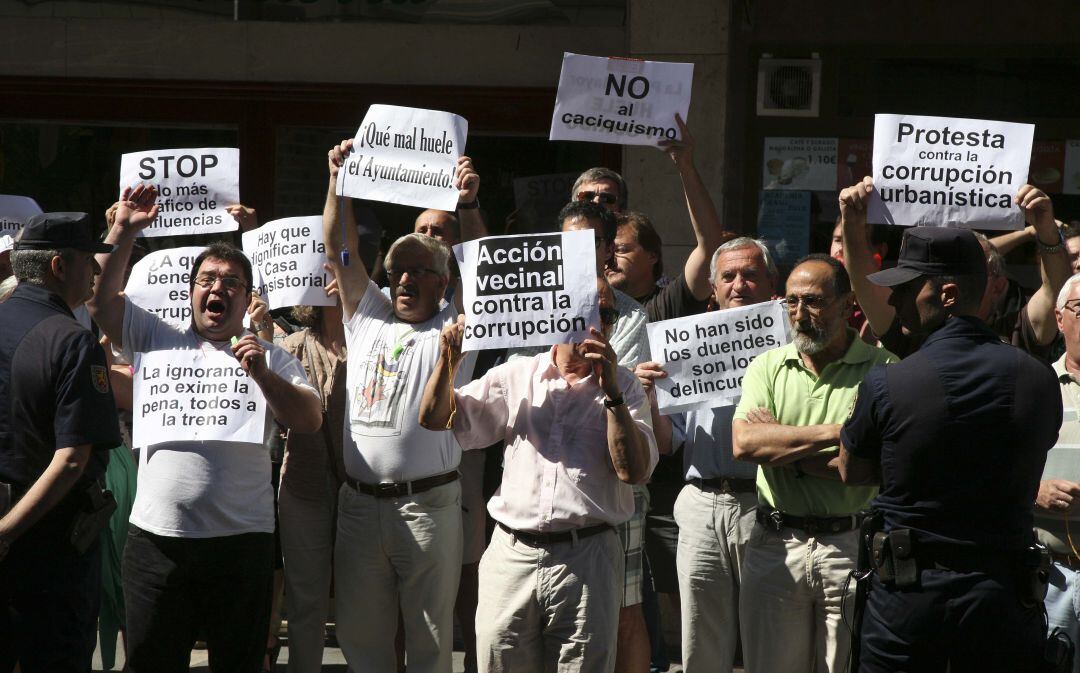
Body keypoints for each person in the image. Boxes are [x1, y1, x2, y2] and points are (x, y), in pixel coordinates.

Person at [88, 185, 323, 673]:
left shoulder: (271, 357)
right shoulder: (154, 337)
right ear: (191, 291)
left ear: (245, 296)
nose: (217, 288)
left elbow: (308, 419)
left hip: (241, 545)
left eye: (231, 281)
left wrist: (261, 373)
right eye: (207, 279)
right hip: (156, 541)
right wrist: (124, 229)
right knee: (152, 661)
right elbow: (98, 300)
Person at [838, 223, 1060, 672]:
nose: (895, 300)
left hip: (908, 600)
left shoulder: (888, 381)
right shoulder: (1038, 379)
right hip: (1003, 599)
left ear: (949, 295)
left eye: (906, 289)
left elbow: (852, 470)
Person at [418, 276, 658, 673]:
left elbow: (632, 470)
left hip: (588, 557)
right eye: (590, 310)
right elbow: (434, 419)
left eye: (609, 314)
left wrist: (612, 392)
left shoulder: (625, 387)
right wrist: (449, 359)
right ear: (559, 313)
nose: (601, 323)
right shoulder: (518, 375)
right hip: (513, 554)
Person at [323, 138, 478, 673]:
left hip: (428, 507)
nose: (406, 279)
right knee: (361, 636)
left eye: (420, 271)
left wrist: (470, 205)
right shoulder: (367, 316)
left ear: (444, 282)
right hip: (360, 505)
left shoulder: (456, 327)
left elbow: (485, 273)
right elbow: (339, 252)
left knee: (431, 642)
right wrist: (338, 184)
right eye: (398, 271)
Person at [731, 253, 897, 673]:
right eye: (791, 302)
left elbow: (872, 466)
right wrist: (839, 432)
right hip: (775, 544)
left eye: (814, 302)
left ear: (847, 304)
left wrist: (785, 451)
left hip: (849, 548)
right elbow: (746, 444)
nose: (800, 314)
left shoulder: (884, 370)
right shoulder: (766, 366)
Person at [634, 237, 779, 673]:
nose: (740, 284)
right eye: (728, 276)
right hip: (700, 504)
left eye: (751, 275)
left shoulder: (790, 340)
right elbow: (665, 443)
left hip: (765, 503)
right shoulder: (687, 344)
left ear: (771, 283)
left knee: (768, 636)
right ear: (712, 289)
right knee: (701, 638)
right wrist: (650, 399)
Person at [0, 212, 120, 673]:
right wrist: (7, 533)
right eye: (90, 261)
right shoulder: (72, 342)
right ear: (60, 268)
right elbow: (73, 460)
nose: (94, 271)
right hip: (48, 553)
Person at [841, 177, 1069, 360]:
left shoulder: (1019, 333)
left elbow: (1056, 291)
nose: (951, 285)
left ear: (998, 286)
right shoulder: (913, 328)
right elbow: (866, 285)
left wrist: (1045, 228)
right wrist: (852, 223)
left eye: (968, 271)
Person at [278, 287, 348, 673]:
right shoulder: (289, 347)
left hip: (360, 488)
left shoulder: (369, 343)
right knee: (306, 600)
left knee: (364, 599)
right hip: (303, 488)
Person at [1036, 272, 1080, 673]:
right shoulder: (1035, 386)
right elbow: (994, 471)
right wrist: (1035, 490)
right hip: (1050, 574)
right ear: (1060, 318)